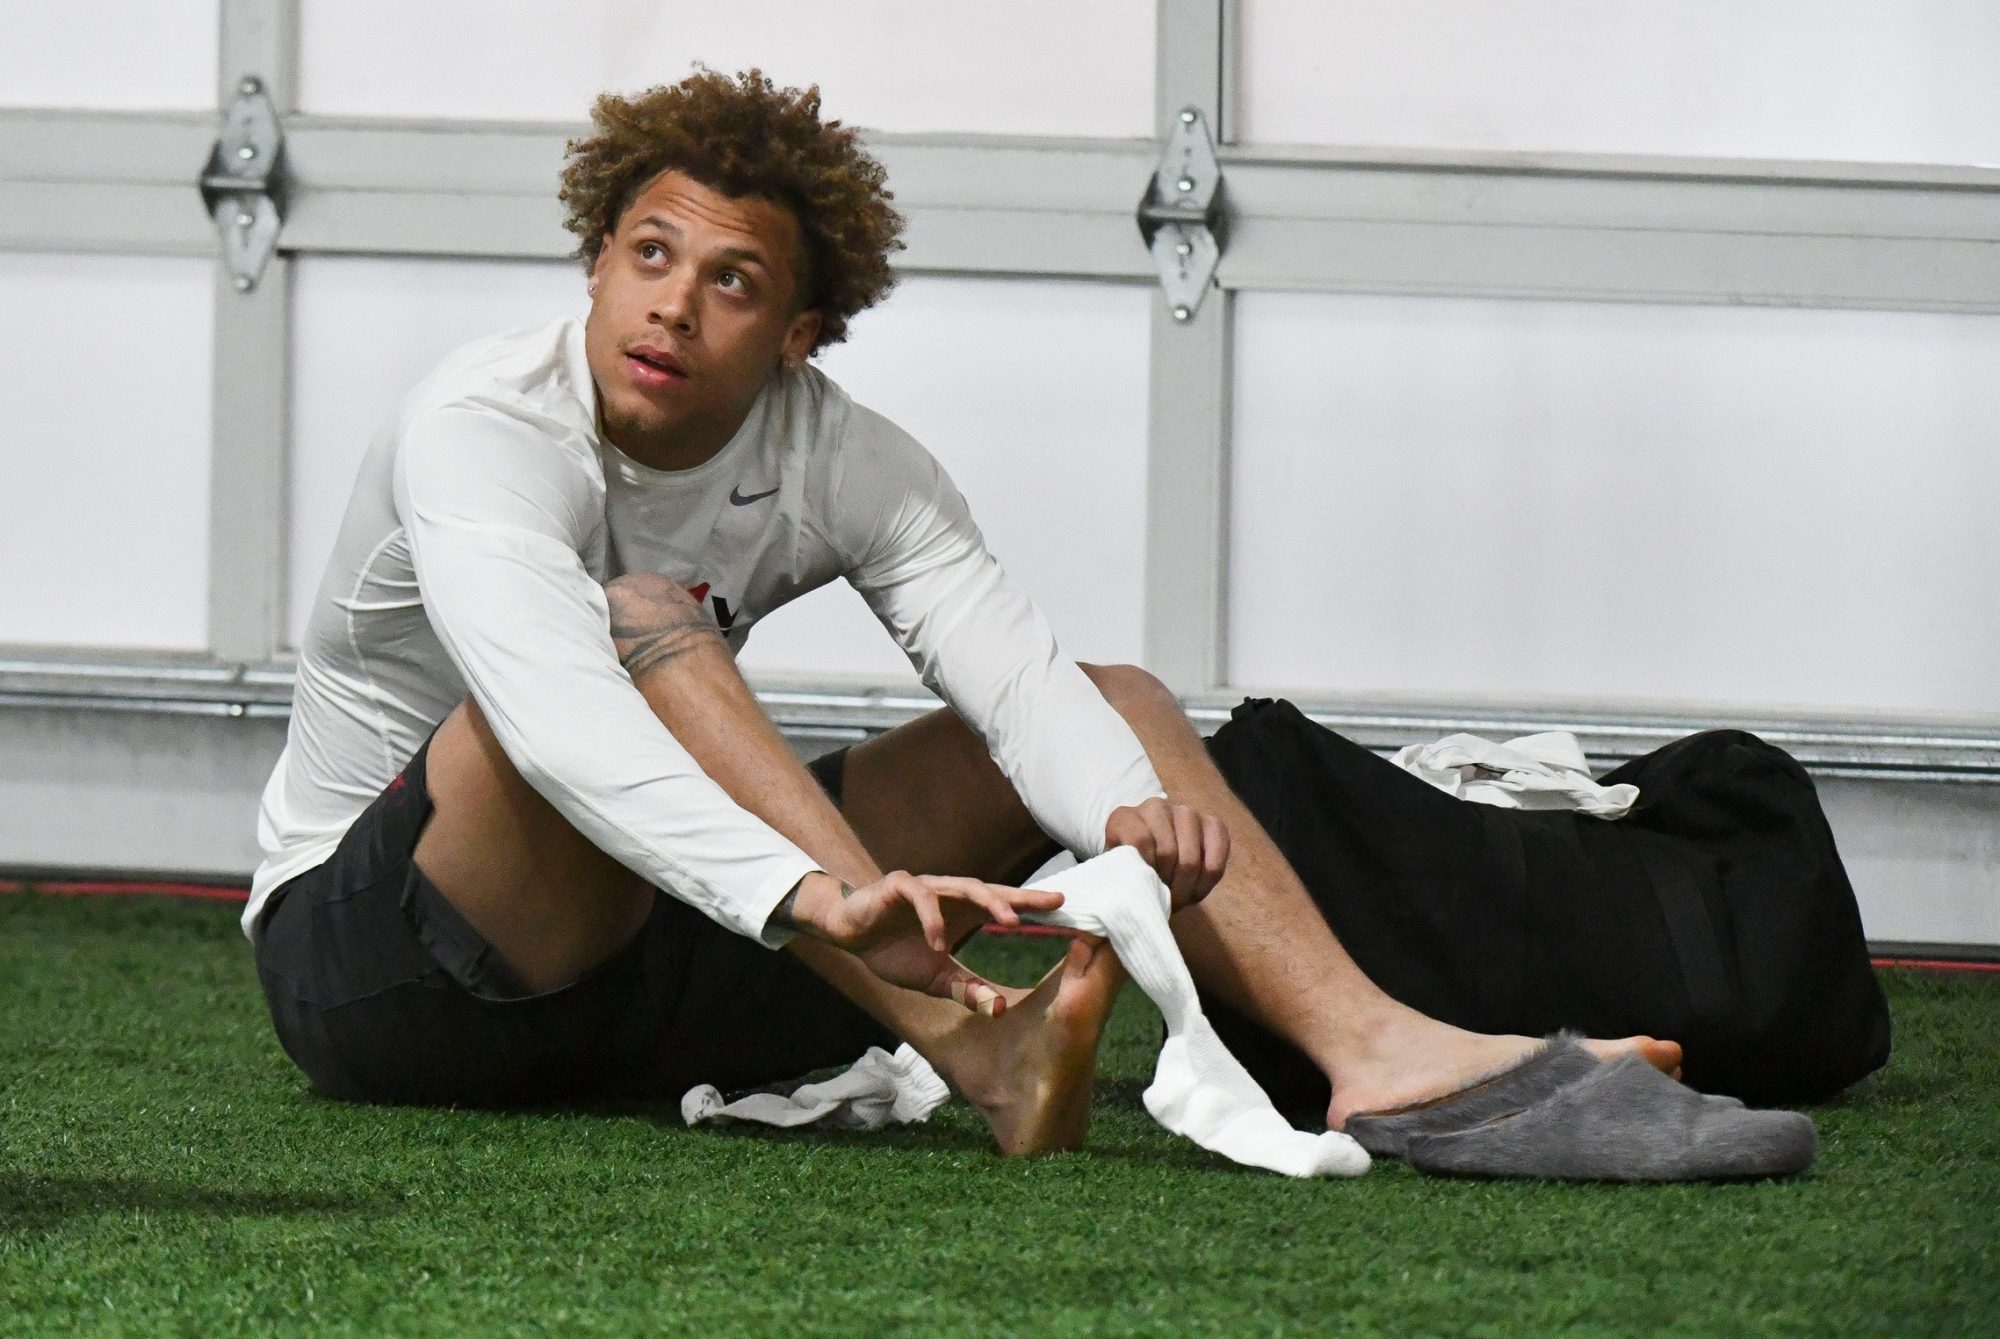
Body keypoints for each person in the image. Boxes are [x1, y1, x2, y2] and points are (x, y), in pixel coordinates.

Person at [248, 69, 1676, 1156]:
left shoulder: (844, 459)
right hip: (392, 978)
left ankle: (1376, 1051)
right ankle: (961, 1038)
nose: (673, 307)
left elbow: (1012, 678)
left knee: (1114, 702)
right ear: (599, 258)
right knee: (635, 623)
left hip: (677, 953)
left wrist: (1124, 813)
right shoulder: (482, 427)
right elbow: (559, 730)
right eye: (649, 254)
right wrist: (821, 893)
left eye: (731, 280)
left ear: (798, 335)